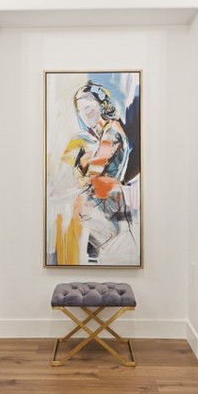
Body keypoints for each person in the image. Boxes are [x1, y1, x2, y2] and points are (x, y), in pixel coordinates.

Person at [59, 81, 134, 263]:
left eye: (89, 108)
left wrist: (80, 161)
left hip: (107, 215)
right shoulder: (96, 137)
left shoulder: (112, 132)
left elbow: (95, 170)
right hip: (96, 215)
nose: (85, 114)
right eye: (80, 110)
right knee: (93, 262)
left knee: (110, 260)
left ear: (102, 106)